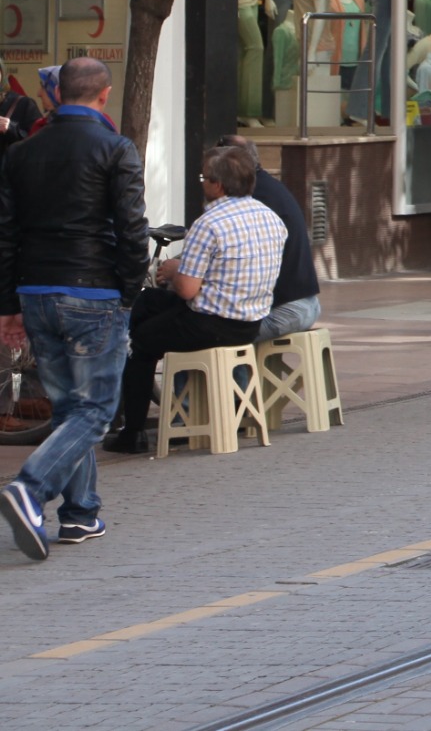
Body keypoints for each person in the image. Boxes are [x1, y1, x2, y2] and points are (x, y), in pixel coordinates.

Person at [0, 55, 145, 559]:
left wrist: (7, 304)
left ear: (57, 94)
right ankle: (30, 487)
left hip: (36, 290)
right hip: (94, 290)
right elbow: (132, 231)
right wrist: (129, 292)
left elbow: (7, 234)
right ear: (104, 95)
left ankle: (81, 513)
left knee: (69, 408)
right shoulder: (115, 147)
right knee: (96, 411)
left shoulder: (22, 151)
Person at [105, 143, 285, 455]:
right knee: (148, 303)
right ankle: (139, 408)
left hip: (210, 324)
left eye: (204, 178)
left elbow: (187, 290)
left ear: (218, 184)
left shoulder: (209, 223)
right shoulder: (270, 217)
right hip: (250, 321)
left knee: (142, 345)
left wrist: (175, 271)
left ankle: (131, 431)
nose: (201, 183)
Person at [234, 139, 320, 342]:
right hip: (305, 303)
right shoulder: (269, 187)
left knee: (218, 336)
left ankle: (235, 375)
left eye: (209, 176)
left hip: (285, 310)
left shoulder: (252, 199)